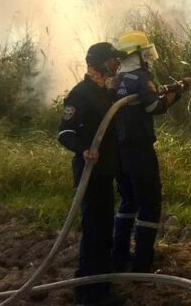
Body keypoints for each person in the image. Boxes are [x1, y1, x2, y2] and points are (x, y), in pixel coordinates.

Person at [111, 30, 191, 273]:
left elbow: (144, 97)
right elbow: (155, 106)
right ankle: (143, 263)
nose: (149, 57)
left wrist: (168, 88)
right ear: (136, 54)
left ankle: (119, 256)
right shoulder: (140, 77)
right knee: (149, 203)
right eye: (145, 52)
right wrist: (178, 92)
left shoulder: (117, 79)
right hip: (139, 151)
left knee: (128, 201)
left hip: (119, 152)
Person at [57, 42, 128, 306]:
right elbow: (64, 133)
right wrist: (84, 149)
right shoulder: (80, 94)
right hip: (89, 172)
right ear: (98, 64)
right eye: (112, 61)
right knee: (94, 231)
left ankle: (102, 287)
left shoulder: (105, 92)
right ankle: (87, 293)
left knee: (105, 228)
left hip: (105, 170)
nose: (116, 65)